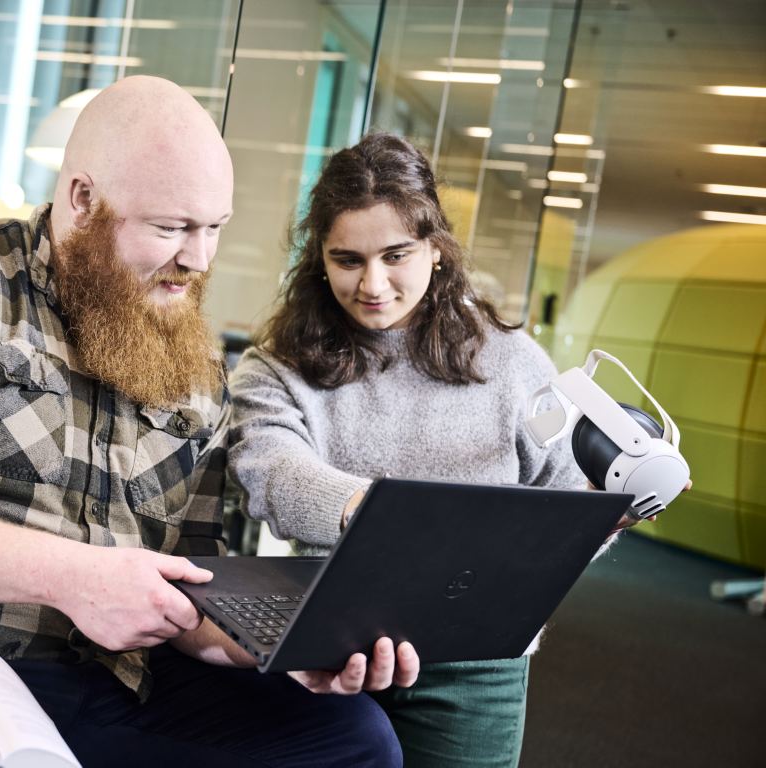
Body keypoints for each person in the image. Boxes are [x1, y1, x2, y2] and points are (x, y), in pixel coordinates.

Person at [0, 77, 417, 768]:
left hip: (102, 680)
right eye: (170, 227)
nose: (199, 258)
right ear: (82, 199)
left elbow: (186, 589)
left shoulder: (196, 365)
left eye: (214, 227)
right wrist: (70, 576)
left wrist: (283, 644)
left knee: (355, 741)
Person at [227, 132, 636, 768]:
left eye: (396, 255)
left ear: (435, 249)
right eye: (347, 259)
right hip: (334, 651)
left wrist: (610, 511)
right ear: (319, 259)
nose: (373, 283)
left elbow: (566, 494)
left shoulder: (512, 364)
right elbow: (274, 474)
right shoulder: (275, 367)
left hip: (476, 663)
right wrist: (390, 517)